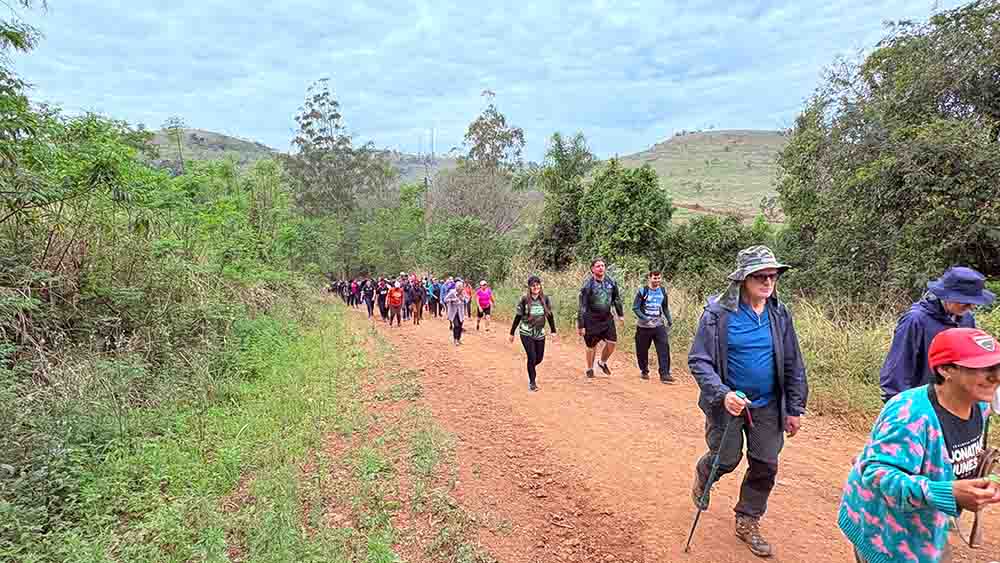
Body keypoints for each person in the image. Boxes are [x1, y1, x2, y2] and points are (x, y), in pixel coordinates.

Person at [840, 327, 1000, 563]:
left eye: (997, 366)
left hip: (926, 523)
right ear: (946, 370)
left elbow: (969, 456)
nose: (995, 376)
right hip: (886, 530)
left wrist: (991, 481)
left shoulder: (980, 404)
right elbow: (876, 474)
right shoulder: (910, 414)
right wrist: (948, 492)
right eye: (981, 367)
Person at [688, 245, 808, 558]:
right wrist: (723, 393)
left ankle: (748, 520)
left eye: (773, 275)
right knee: (726, 458)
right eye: (760, 276)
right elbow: (699, 360)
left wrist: (794, 408)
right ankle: (706, 473)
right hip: (727, 403)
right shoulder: (718, 314)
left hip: (768, 405)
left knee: (766, 463)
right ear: (743, 279)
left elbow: (794, 362)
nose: (768, 282)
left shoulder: (779, 314)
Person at [879, 266, 995, 403]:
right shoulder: (916, 320)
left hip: (955, 402)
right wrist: (901, 407)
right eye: (966, 301)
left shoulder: (966, 319)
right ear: (946, 295)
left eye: (974, 302)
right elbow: (897, 369)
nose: (971, 307)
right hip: (922, 403)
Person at [577, 258, 624, 378]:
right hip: (591, 319)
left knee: (612, 342)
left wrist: (620, 315)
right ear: (592, 269)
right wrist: (581, 325)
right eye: (598, 266)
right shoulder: (587, 286)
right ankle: (589, 368)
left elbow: (616, 299)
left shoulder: (611, 282)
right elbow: (582, 306)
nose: (601, 268)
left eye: (603, 265)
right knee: (591, 346)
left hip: (607, 318)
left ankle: (602, 362)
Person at [509, 275, 556, 391]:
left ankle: (530, 367)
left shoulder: (545, 299)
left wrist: (553, 330)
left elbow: (549, 315)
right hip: (526, 331)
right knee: (532, 356)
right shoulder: (524, 299)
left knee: (539, 358)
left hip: (540, 332)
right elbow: (518, 316)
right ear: (529, 287)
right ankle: (532, 382)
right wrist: (512, 332)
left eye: (537, 285)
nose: (536, 287)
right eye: (533, 285)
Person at [632, 270, 674, 383]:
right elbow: (635, 308)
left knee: (664, 348)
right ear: (650, 278)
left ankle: (665, 374)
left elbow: (664, 307)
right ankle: (644, 370)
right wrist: (646, 319)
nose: (657, 280)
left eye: (659, 278)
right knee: (642, 350)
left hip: (658, 325)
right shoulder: (643, 291)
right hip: (644, 327)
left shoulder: (663, 291)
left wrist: (669, 320)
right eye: (655, 278)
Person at [443, 280, 469, 345]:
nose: (460, 289)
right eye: (458, 287)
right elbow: (445, 299)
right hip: (453, 312)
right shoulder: (452, 292)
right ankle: (455, 340)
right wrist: (452, 300)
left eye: (461, 287)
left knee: (460, 326)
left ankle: (459, 339)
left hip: (461, 312)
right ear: (456, 287)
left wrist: (463, 298)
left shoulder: (463, 292)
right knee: (456, 325)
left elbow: (467, 299)